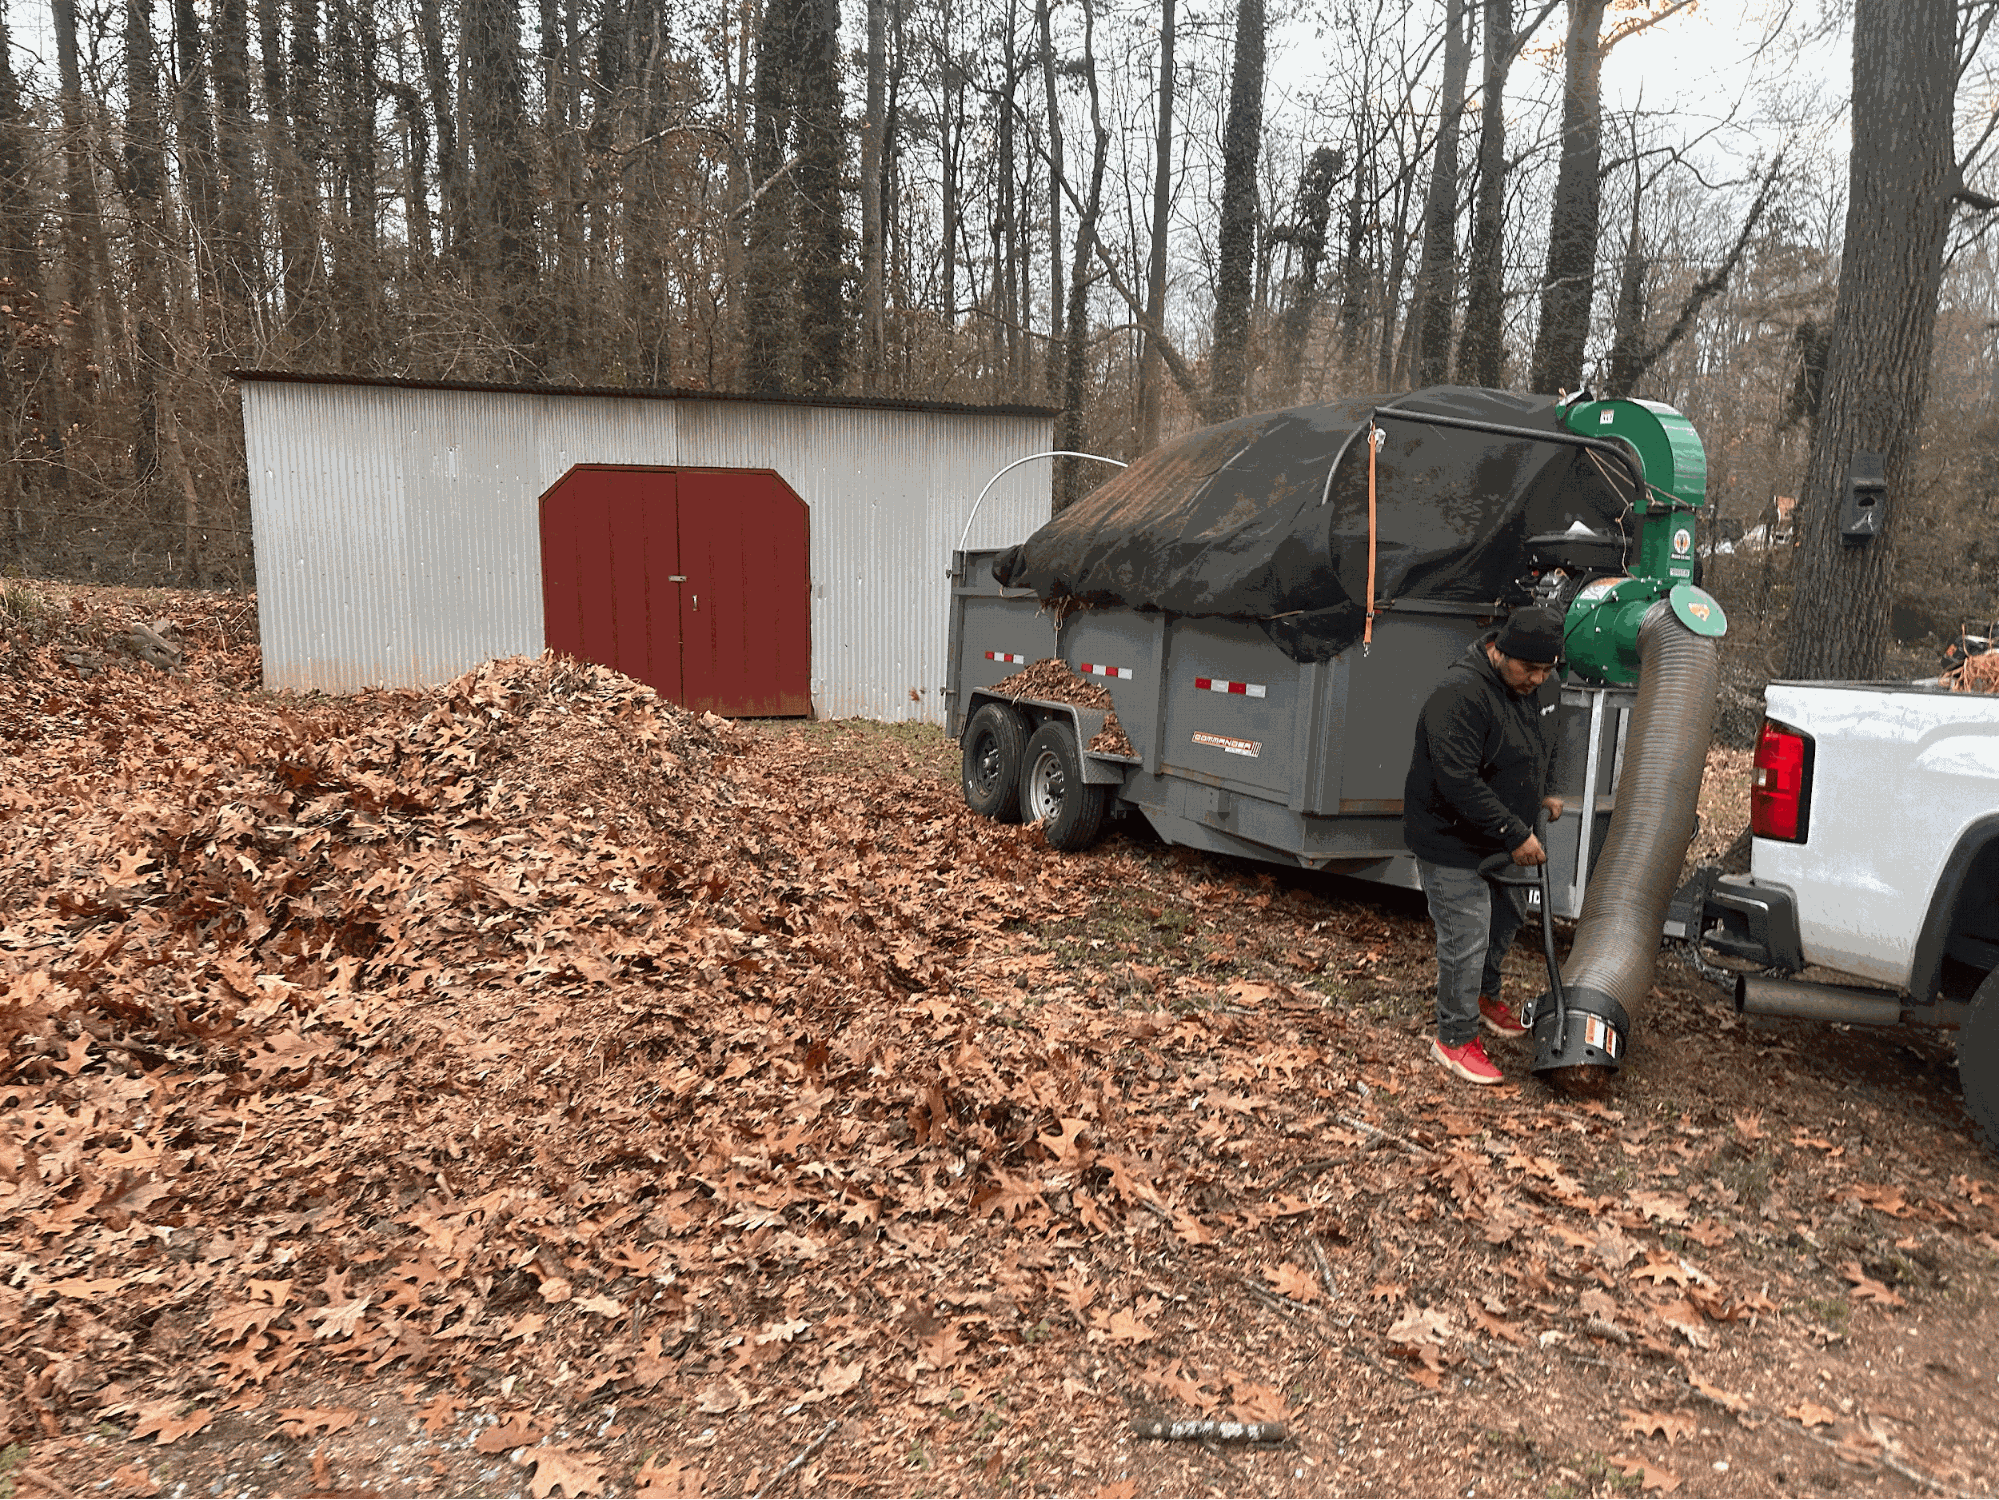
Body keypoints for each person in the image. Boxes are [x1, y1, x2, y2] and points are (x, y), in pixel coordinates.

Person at [1402, 606, 1567, 1084]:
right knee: (1467, 933)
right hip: (1449, 835)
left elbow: (1541, 742)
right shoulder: (1460, 694)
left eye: (1547, 668)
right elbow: (1457, 780)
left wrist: (1546, 788)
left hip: (1500, 832)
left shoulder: (1534, 686)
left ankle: (1482, 994)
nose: (1538, 678)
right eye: (1529, 668)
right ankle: (1453, 1039)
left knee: (1508, 915)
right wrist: (1515, 834)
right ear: (1500, 650)